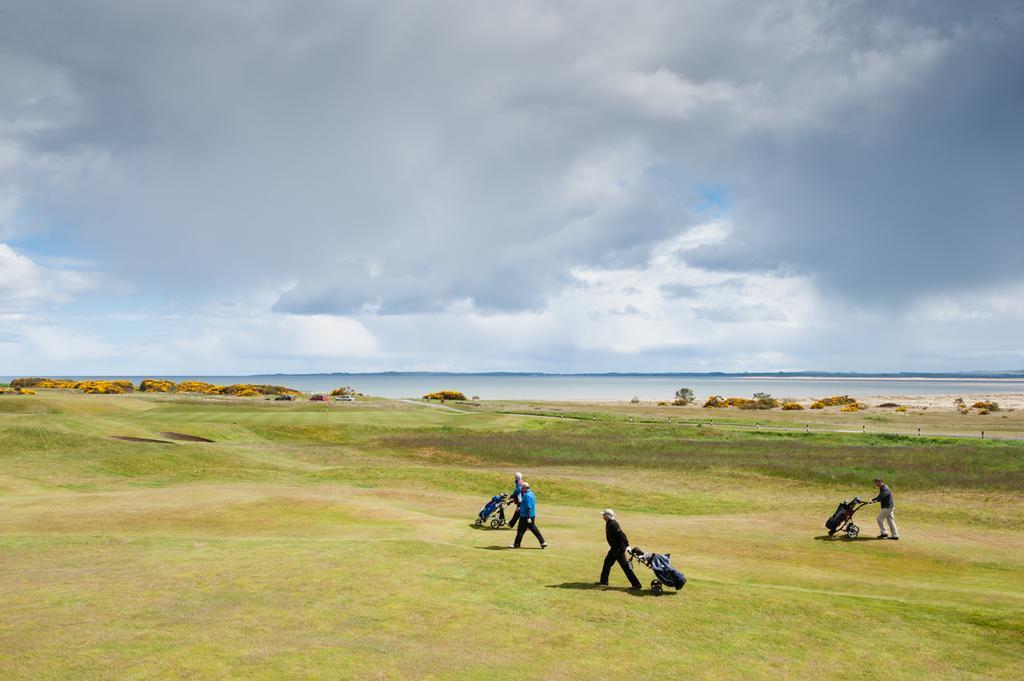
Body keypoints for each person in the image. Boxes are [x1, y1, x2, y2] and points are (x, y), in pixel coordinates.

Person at [596, 509, 642, 589]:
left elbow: (622, 535)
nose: (603, 516)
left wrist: (627, 546)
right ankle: (604, 581)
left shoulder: (613, 524)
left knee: (626, 567)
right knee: (607, 563)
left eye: (604, 515)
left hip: (618, 550)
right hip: (614, 549)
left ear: (608, 515)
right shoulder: (609, 523)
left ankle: (636, 584)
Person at [510, 482, 547, 549]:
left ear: (525, 488)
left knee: (520, 530)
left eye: (522, 488)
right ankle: (543, 542)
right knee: (534, 530)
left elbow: (529, 507)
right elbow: (525, 505)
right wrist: (520, 508)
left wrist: (528, 517)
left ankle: (516, 544)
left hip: (526, 516)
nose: (521, 489)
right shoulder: (531, 493)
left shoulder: (527, 496)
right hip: (530, 515)